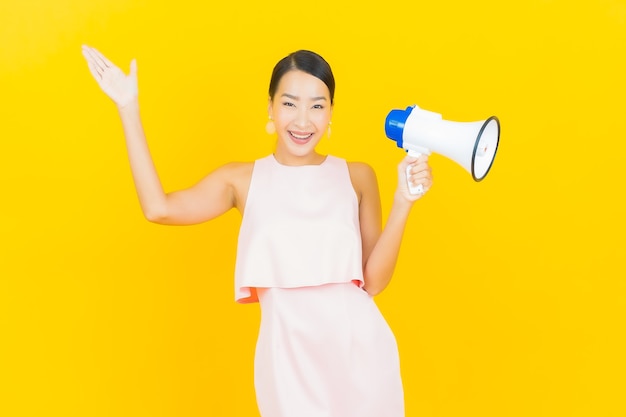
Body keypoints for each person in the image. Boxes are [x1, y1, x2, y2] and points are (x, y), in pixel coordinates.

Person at [81, 45, 433, 417]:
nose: (302, 120)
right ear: (270, 108)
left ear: (331, 113)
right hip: (287, 362)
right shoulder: (241, 180)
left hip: (362, 353)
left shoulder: (358, 176)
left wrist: (403, 201)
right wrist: (128, 107)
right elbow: (158, 208)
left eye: (317, 105)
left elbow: (374, 282)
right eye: (289, 103)